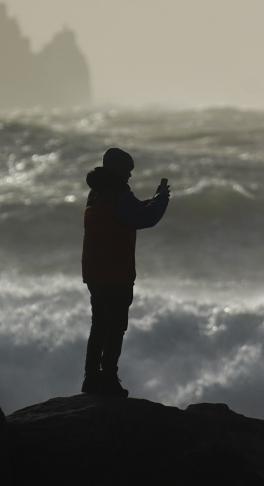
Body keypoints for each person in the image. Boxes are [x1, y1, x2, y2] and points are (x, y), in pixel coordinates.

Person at [81, 148, 170, 397]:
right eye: (127, 172)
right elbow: (145, 218)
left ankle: (91, 378)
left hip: (95, 270)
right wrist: (162, 199)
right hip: (115, 272)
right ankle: (109, 378)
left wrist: (151, 200)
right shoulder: (118, 194)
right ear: (118, 170)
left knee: (99, 325)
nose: (130, 177)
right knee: (116, 326)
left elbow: (130, 213)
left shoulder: (96, 193)